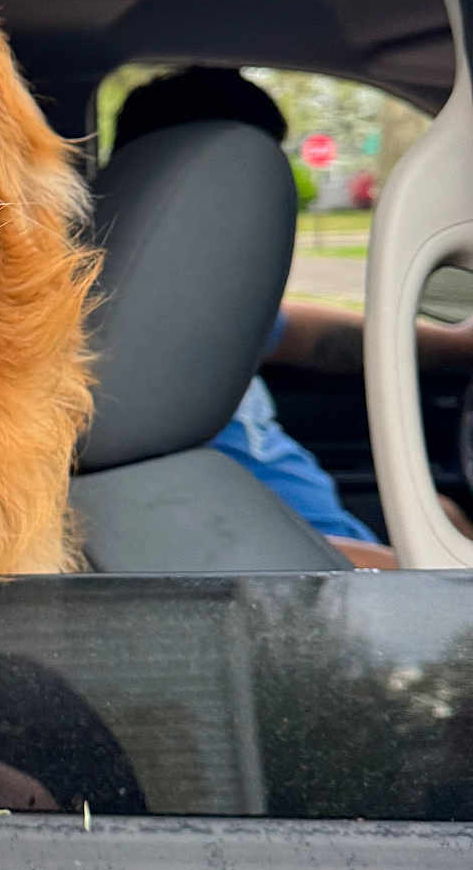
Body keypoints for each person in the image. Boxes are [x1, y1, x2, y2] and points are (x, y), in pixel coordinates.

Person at [110, 67, 473, 566]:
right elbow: (211, 550)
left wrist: (459, 344)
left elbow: (312, 337)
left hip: (322, 540)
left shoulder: (187, 304)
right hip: (299, 572)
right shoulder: (119, 350)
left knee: (447, 512)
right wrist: (408, 570)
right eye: (258, 179)